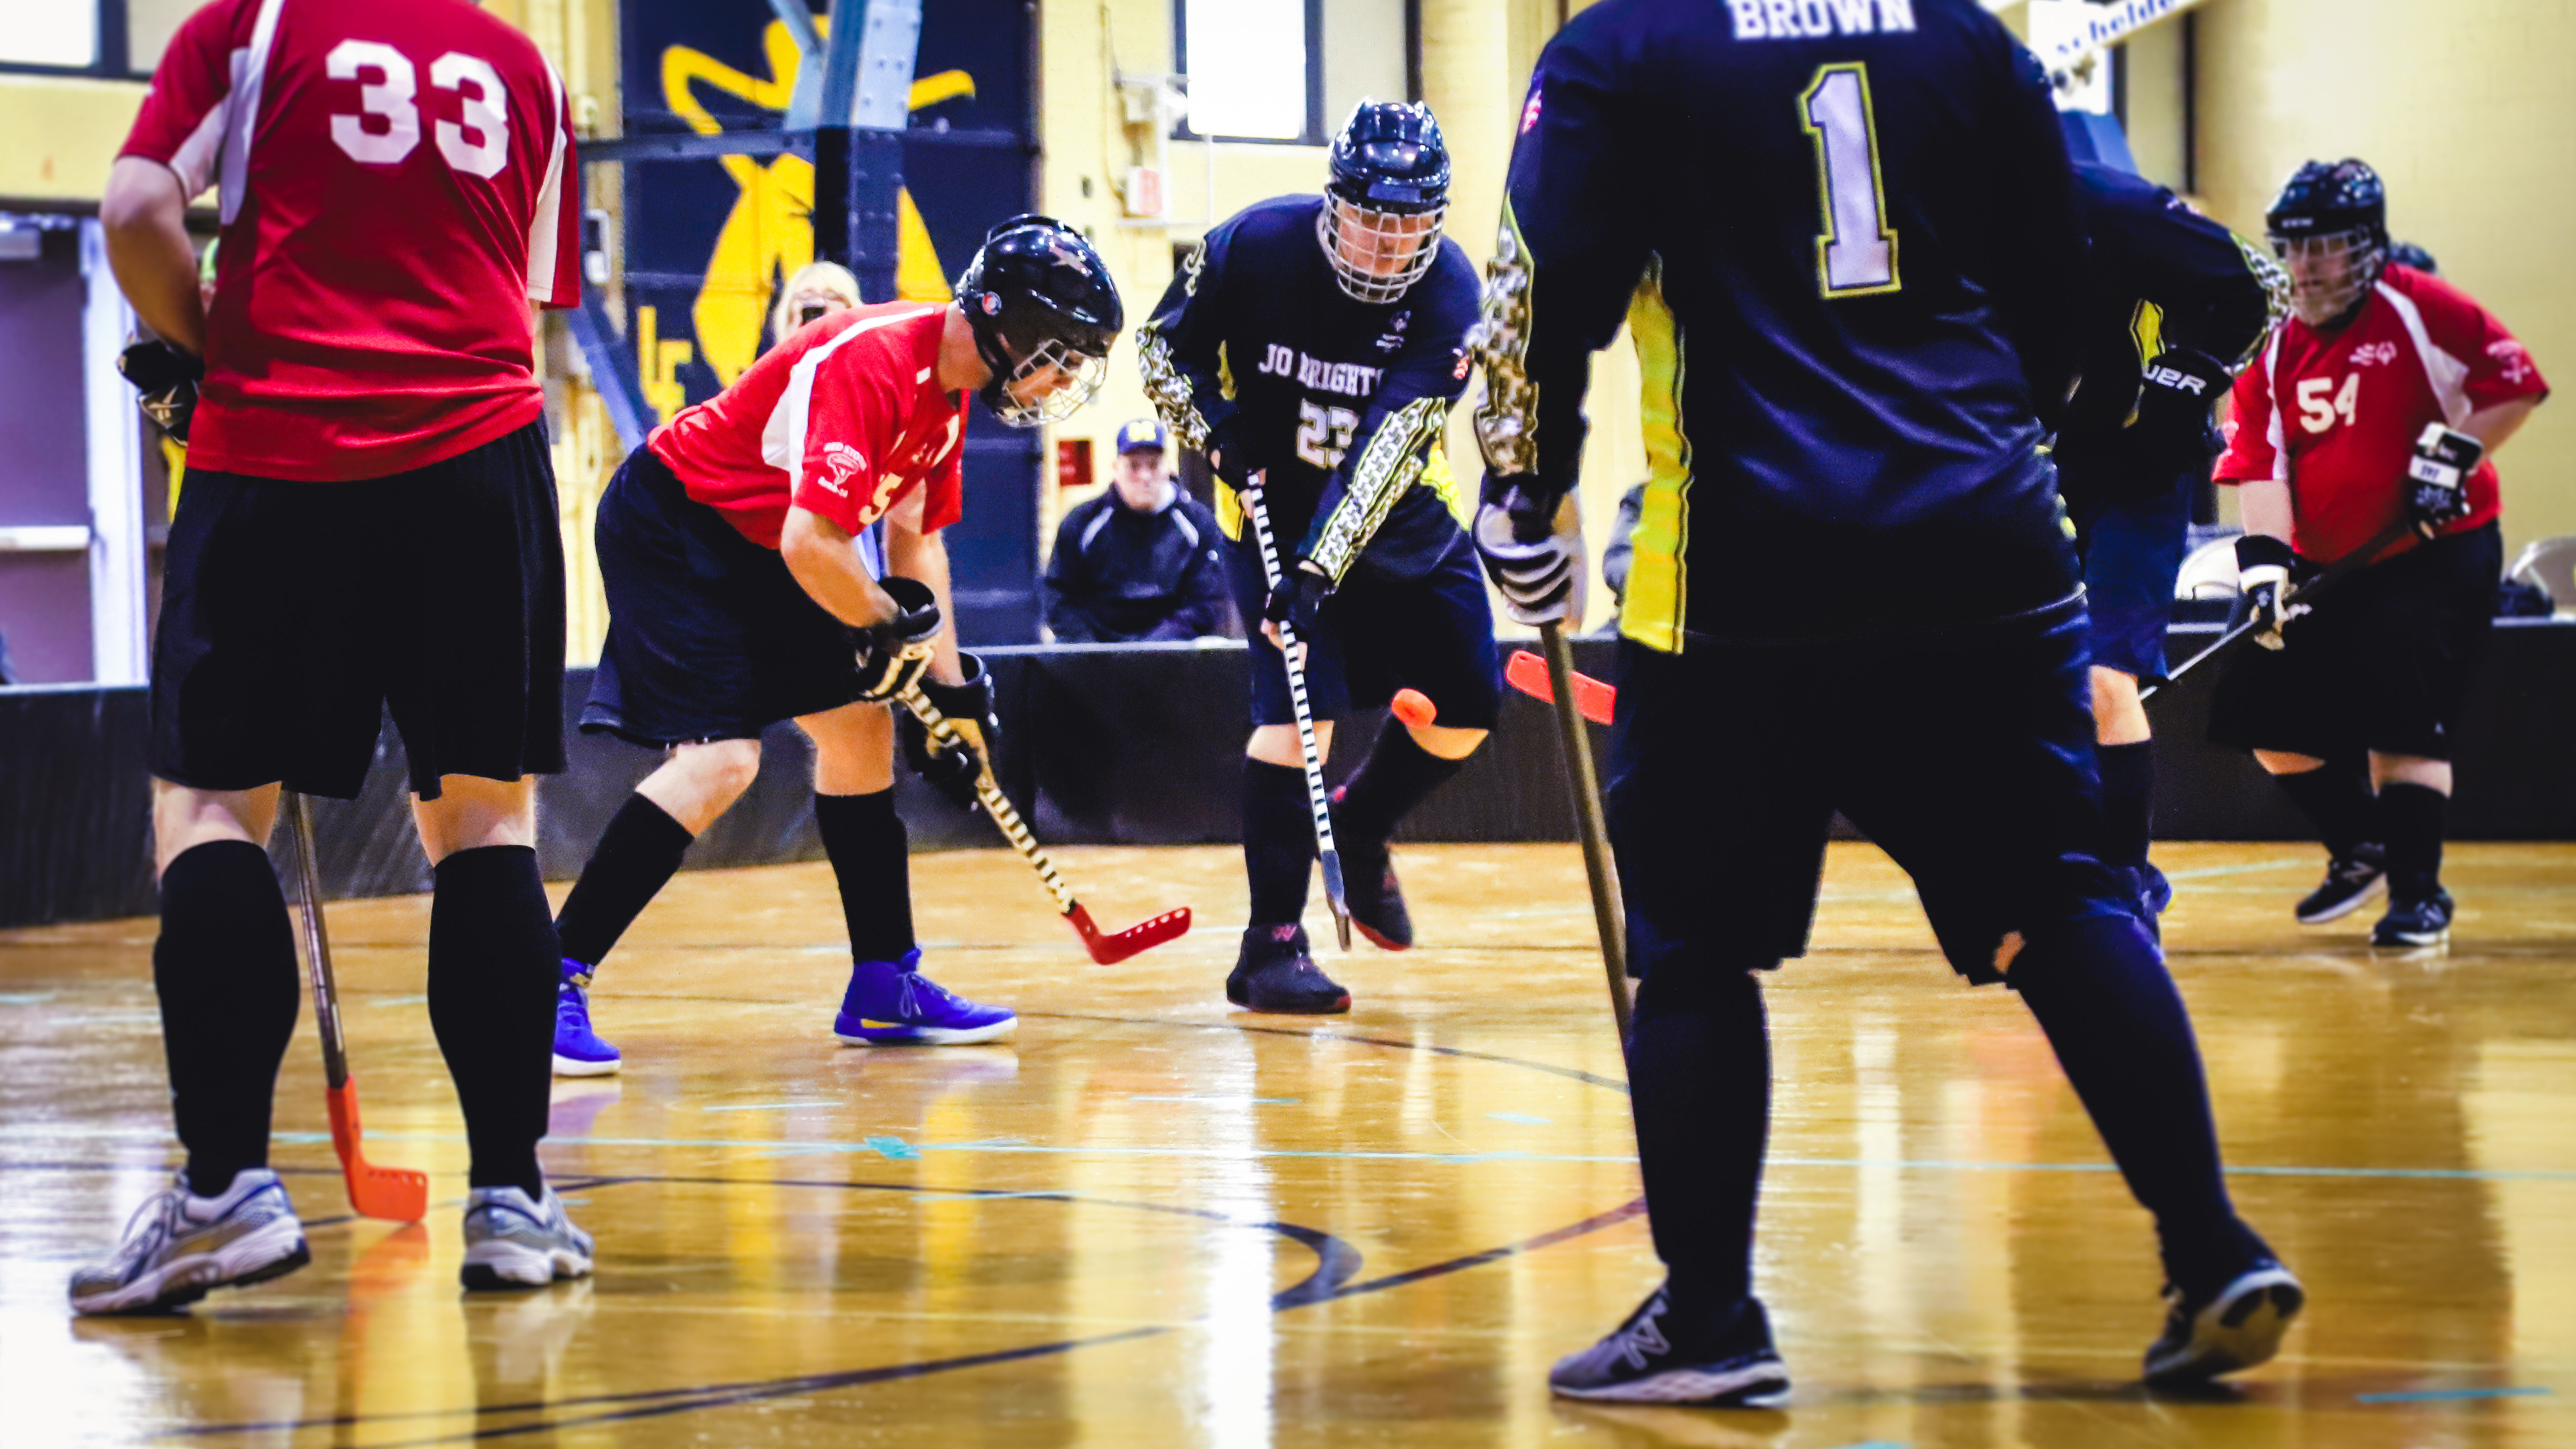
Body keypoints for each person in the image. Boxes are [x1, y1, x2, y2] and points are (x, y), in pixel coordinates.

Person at [1472, 0, 2300, 1402]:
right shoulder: (1966, 36)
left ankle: (1714, 1316)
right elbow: (2057, 275)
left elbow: (1548, 278)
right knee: (2064, 895)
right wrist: (1990, 437)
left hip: (1739, 571)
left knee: (1692, 949)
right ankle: (2213, 1245)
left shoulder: (1624, 45)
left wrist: (1521, 478)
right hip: (1982, 544)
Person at [77, 0, 590, 1313]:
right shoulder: (528, 65)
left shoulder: (249, 28)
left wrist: (205, 346)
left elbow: (137, 208)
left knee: (208, 809)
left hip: (281, 448)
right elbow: (524, 301)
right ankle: (515, 1199)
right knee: (485, 827)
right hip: (484, 462)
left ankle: (226, 1191)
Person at [544, 216, 1121, 1077]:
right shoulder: (875, 361)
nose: (1057, 382)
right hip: (675, 525)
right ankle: (550, 975)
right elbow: (813, 547)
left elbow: (917, 544)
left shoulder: (948, 396)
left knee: (862, 730)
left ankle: (883, 985)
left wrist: (953, 701)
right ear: (1015, 331)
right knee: (724, 760)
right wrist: (884, 625)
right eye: (1060, 357)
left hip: (763, 537)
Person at [1135, 100, 1494, 1015]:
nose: (1384, 249)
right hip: (1264, 505)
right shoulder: (1249, 244)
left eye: (1406, 229)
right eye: (1370, 223)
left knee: (1468, 707)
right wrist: (1213, 431)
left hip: (1399, 511)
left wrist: (1318, 574)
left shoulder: (1452, 294)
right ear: (1334, 205)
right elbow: (1159, 352)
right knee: (1302, 718)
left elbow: (1389, 443)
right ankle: (1270, 950)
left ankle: (1362, 825)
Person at [2209, 160, 2546, 946]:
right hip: (2328, 560)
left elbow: (2513, 382)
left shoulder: (2418, 306)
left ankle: (2417, 898)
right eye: (2293, 247)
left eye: (2325, 246)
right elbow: (2260, 461)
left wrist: (2454, 455)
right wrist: (2266, 566)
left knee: (2403, 720)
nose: (2307, 264)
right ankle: (2361, 843)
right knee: (2257, 710)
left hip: (2434, 551)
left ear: (2366, 245)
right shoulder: (2268, 337)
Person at [2055, 161, 2289, 926]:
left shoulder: (2110, 201)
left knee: (2100, 676)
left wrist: (2188, 372)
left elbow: (2260, 284)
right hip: (2024, 464)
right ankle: (2058, 863)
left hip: (2138, 467)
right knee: (2020, 679)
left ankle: (2126, 883)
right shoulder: (1925, 210)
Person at [1042, 419, 1235, 642]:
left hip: (1173, 653)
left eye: (1153, 465)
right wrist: (1091, 650)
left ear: (1167, 468)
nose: (1144, 477)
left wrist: (1150, 651)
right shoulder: (1082, 522)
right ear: (1116, 469)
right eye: (1134, 466)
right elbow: (1057, 595)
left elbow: (1208, 603)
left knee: (1215, 646)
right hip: (1098, 654)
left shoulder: (1198, 523)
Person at [773, 260, 864, 348]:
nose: (819, 303)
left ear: (850, 308)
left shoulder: (868, 362)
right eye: (807, 296)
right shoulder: (773, 363)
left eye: (832, 297)